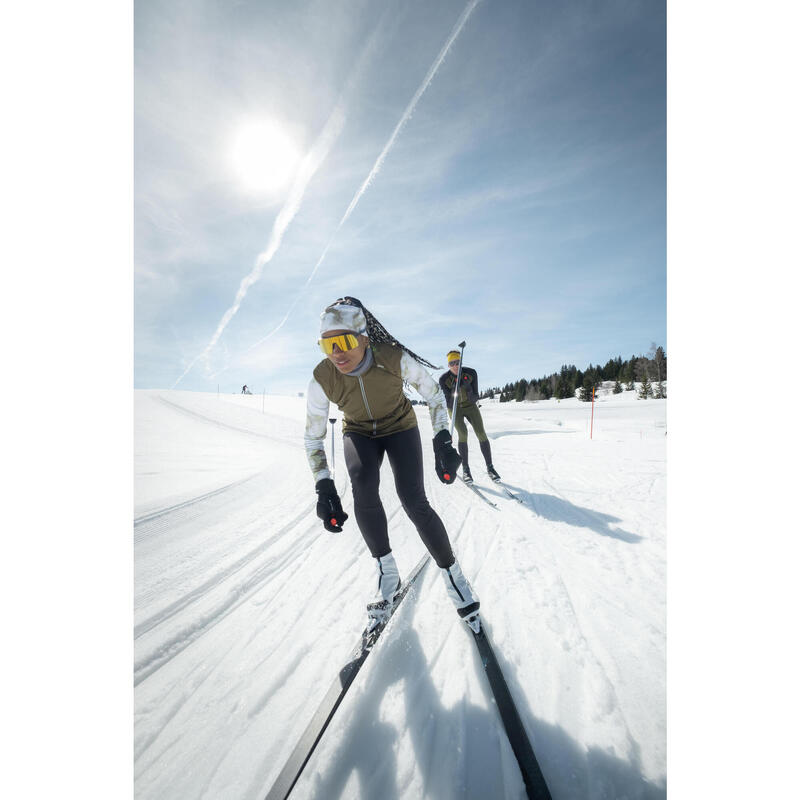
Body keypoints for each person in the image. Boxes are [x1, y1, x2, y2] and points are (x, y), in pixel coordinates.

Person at [304, 297, 481, 633]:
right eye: (327, 345)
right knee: (363, 487)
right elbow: (313, 437)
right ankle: (387, 572)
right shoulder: (322, 377)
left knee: (413, 500)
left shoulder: (392, 359)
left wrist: (442, 438)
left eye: (343, 342)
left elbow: (432, 395)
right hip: (358, 432)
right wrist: (323, 484)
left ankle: (454, 577)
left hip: (399, 427)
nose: (336, 353)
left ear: (364, 338)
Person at [438, 350, 501, 484]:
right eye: (452, 363)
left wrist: (467, 387)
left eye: (457, 362)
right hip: (455, 408)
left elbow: (475, 397)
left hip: (470, 406)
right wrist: (453, 390)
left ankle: (490, 468)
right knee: (463, 433)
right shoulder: (444, 379)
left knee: (481, 433)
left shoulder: (471, 373)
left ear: (461, 362)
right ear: (448, 365)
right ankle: (466, 470)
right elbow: (448, 402)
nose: (455, 365)